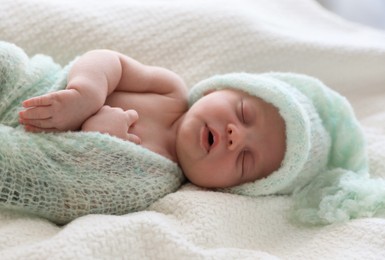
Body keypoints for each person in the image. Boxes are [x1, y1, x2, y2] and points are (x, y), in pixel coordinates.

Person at [18, 49, 287, 190]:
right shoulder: (170, 90)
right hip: (31, 87)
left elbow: (75, 189)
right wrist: (86, 92)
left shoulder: (159, 178)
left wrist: (99, 140)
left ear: (226, 189)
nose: (236, 136)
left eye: (245, 159)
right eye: (243, 114)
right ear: (214, 90)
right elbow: (110, 61)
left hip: (26, 150)